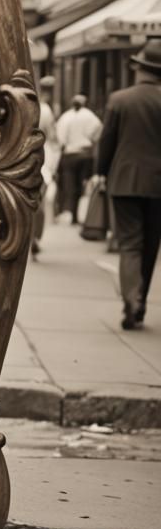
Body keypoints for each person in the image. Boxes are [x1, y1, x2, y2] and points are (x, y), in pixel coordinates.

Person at [95, 40, 161, 330]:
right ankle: (141, 301)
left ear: (140, 69)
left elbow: (106, 141)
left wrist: (100, 172)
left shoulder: (120, 99)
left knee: (130, 243)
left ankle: (131, 300)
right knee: (151, 243)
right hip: (157, 184)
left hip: (124, 181)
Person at [55, 93, 102, 224]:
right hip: (85, 154)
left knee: (70, 186)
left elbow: (61, 138)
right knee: (83, 184)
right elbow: (98, 132)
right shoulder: (90, 116)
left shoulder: (65, 117)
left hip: (69, 155)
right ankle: (81, 214)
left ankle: (72, 214)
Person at [32, 75, 61, 257]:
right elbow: (53, 140)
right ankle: (34, 237)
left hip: (24, 157)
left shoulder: (28, 106)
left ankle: (29, 237)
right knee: (38, 201)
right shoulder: (46, 110)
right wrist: (54, 166)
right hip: (41, 159)